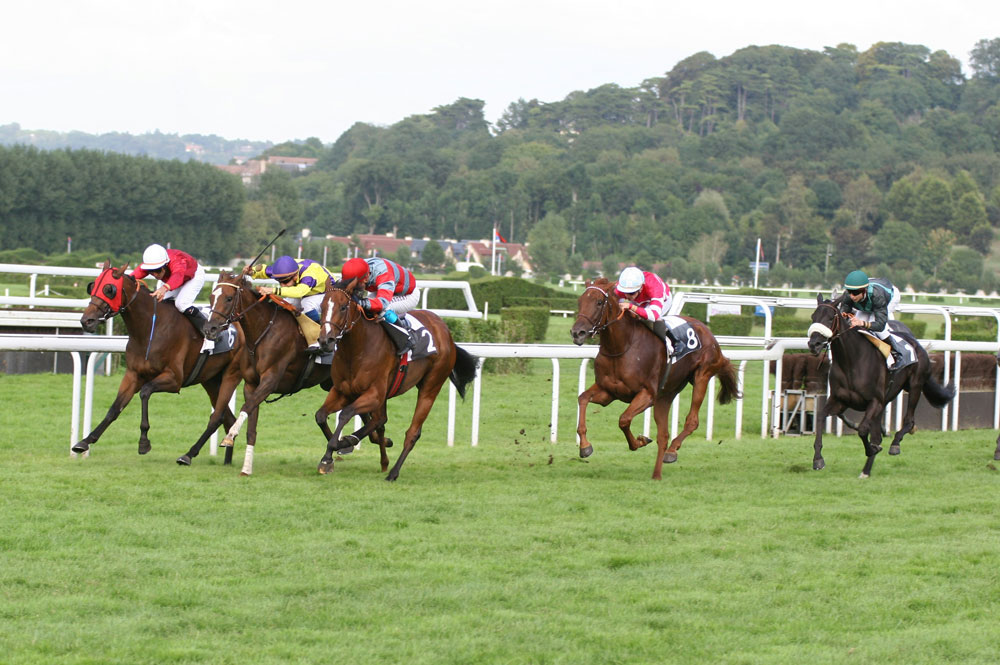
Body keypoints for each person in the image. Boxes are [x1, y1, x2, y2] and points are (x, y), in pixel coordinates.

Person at [131, 243, 213, 353]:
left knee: (181, 304)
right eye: (151, 271)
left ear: (165, 265)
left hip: (192, 276)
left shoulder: (176, 261)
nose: (155, 274)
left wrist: (164, 289)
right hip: (173, 280)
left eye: (158, 271)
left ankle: (210, 333)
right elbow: (130, 278)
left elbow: (178, 277)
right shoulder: (153, 263)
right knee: (158, 303)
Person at [247, 256, 333, 350]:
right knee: (285, 303)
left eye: (285, 282)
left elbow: (300, 292)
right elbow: (264, 270)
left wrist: (273, 290)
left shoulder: (309, 275)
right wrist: (252, 271)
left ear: (295, 276)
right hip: (310, 292)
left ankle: (319, 338)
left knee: (307, 303)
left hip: (328, 292)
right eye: (279, 282)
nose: (282, 285)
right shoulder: (283, 272)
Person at [341, 256, 420, 355]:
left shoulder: (383, 274)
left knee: (383, 310)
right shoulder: (357, 270)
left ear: (365, 279)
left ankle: (407, 337)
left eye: (356, 285)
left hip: (407, 294)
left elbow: (381, 303)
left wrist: (360, 302)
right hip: (384, 289)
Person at [614, 265, 673, 389]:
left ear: (640, 287)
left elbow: (653, 315)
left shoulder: (654, 287)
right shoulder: (624, 287)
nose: (628, 296)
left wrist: (631, 307)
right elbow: (613, 299)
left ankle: (669, 344)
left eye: (631, 293)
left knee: (647, 321)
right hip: (641, 302)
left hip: (660, 302)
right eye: (626, 293)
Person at [839, 270, 906, 370]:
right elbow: (845, 310)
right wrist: (844, 315)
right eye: (849, 292)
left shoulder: (877, 296)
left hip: (889, 297)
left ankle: (897, 354)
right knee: (857, 327)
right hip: (868, 301)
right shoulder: (849, 294)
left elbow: (880, 325)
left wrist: (863, 323)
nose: (852, 296)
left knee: (875, 327)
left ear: (864, 290)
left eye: (855, 293)